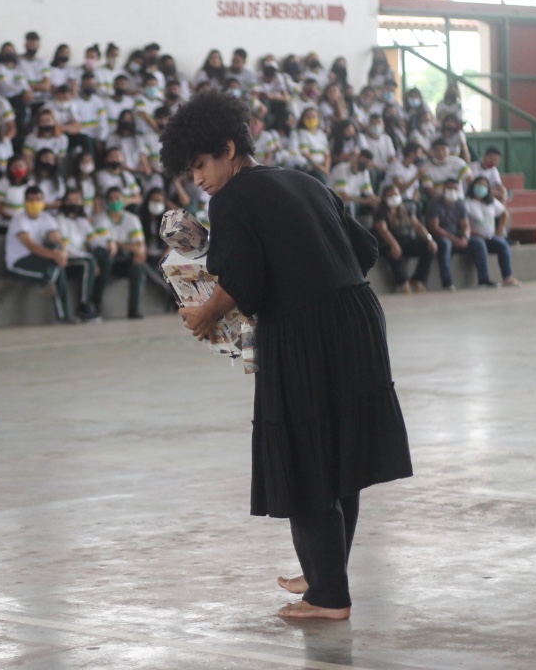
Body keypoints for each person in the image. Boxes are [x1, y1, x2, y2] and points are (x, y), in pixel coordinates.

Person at [161, 91, 411, 620]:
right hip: (359, 318)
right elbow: (364, 251)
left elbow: (244, 281)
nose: (199, 179)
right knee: (341, 454)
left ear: (228, 149)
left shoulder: (230, 200)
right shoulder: (304, 179)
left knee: (304, 455)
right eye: (191, 171)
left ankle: (327, 597)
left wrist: (206, 313)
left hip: (305, 329)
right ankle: (325, 572)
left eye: (202, 165)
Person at [4, 185, 71, 322]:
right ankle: (63, 313)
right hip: (19, 263)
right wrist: (55, 256)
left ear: (43, 201)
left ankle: (63, 313)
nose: (34, 203)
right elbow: (31, 246)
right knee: (56, 271)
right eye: (31, 200)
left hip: (38, 260)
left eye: (38, 199)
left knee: (57, 268)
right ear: (25, 202)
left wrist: (62, 252)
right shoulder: (19, 220)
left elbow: (56, 238)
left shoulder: (47, 219)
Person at [94, 189, 149, 318]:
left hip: (124, 258)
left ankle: (133, 309)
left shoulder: (132, 219)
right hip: (108, 259)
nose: (114, 201)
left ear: (123, 200)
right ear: (107, 202)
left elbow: (139, 248)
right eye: (111, 199)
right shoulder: (100, 219)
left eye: (117, 198)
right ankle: (96, 305)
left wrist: (117, 243)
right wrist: (128, 246)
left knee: (138, 267)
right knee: (106, 259)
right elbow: (108, 245)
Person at [372, 184, 436, 293]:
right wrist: (393, 244)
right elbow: (383, 230)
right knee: (394, 253)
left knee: (429, 248)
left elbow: (418, 226)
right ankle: (403, 282)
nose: (394, 197)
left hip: (405, 240)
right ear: (384, 198)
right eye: (390, 195)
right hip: (387, 242)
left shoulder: (406, 209)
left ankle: (417, 279)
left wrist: (429, 239)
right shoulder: (381, 212)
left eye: (396, 194)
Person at [56, 189, 107, 321]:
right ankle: (84, 306)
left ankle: (97, 300)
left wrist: (109, 243)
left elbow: (95, 240)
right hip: (67, 261)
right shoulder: (59, 221)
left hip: (82, 258)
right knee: (88, 263)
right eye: (70, 201)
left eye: (77, 201)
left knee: (105, 255)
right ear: (64, 203)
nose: (73, 204)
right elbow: (66, 249)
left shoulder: (82, 221)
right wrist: (89, 258)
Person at [463, 175, 520, 288]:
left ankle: (507, 277)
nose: (481, 188)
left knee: (502, 245)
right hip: (473, 237)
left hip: (489, 236)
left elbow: (504, 213)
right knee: (480, 245)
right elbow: (463, 221)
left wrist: (499, 230)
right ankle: (484, 279)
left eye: (484, 186)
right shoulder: (467, 203)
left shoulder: (491, 202)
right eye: (479, 185)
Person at [426, 177, 482, 291]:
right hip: (441, 237)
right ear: (443, 189)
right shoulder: (435, 203)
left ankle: (484, 279)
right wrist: (454, 240)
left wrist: (465, 237)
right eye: (449, 188)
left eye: (455, 189)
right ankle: (447, 282)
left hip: (457, 236)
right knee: (445, 244)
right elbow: (434, 228)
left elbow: (465, 225)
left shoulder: (460, 204)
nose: (452, 191)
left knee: (478, 243)